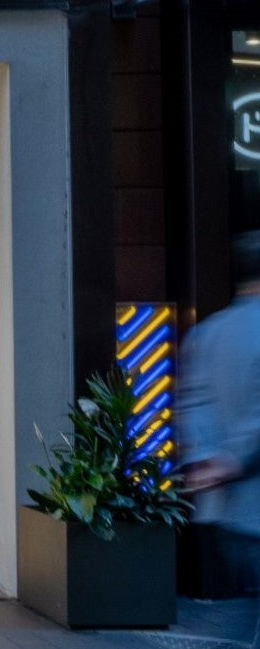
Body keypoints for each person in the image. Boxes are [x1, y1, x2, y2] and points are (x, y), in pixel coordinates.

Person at [183, 229, 260, 641]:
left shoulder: (208, 333)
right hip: (251, 494)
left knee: (245, 611)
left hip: (225, 508)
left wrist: (208, 460)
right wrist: (233, 458)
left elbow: (192, 404)